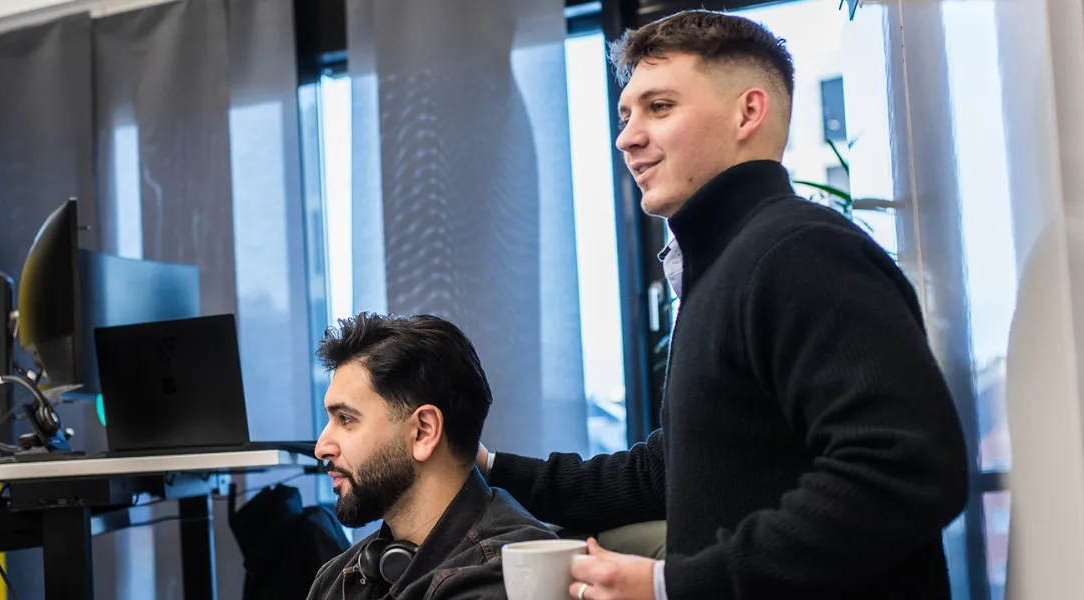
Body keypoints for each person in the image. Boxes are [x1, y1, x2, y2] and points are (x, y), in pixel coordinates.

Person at [476, 9, 970, 600]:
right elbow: (670, 470)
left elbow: (905, 472)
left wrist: (672, 585)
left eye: (660, 108)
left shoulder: (799, 251)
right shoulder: (723, 269)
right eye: (626, 114)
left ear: (748, 112)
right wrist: (490, 464)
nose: (627, 136)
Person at [307, 312, 557, 600]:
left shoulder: (512, 580)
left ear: (423, 431)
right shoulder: (338, 577)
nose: (321, 447)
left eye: (346, 419)